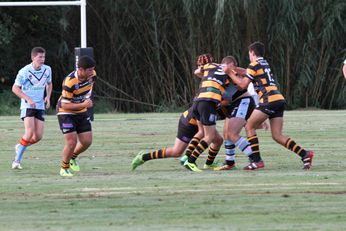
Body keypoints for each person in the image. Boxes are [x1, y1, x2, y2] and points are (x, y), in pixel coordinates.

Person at [224, 41, 314, 170]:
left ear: (252, 53)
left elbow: (243, 84)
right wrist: (235, 69)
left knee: (249, 126)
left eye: (249, 53)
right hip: (278, 99)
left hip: (268, 100)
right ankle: (305, 154)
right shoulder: (263, 63)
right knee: (277, 135)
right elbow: (247, 72)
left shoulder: (253, 64)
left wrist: (230, 73)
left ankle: (256, 161)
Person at [183, 54, 227, 172]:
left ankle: (193, 158)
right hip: (208, 102)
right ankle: (190, 161)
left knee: (211, 136)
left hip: (197, 102)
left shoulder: (206, 69)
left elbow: (196, 71)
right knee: (209, 136)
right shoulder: (222, 67)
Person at [11, 47, 52, 169]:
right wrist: (28, 99)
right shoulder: (24, 71)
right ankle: (17, 161)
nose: (42, 59)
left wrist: (48, 97)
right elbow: (15, 88)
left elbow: (49, 84)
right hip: (27, 105)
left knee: (38, 136)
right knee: (29, 133)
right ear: (33, 58)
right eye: (40, 57)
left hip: (40, 106)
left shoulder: (47, 69)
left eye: (43, 57)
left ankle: (20, 146)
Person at [56, 55, 96, 177]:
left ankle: (73, 157)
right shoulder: (70, 82)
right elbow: (65, 105)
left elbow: (89, 90)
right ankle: (64, 168)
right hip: (65, 112)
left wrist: (85, 101)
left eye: (92, 69)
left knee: (87, 141)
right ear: (81, 70)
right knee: (71, 142)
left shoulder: (92, 75)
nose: (92, 72)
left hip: (81, 110)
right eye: (89, 70)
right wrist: (84, 103)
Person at [131, 106, 203, 170]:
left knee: (212, 136)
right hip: (188, 123)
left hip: (195, 121)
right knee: (176, 152)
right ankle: (143, 157)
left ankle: (207, 162)